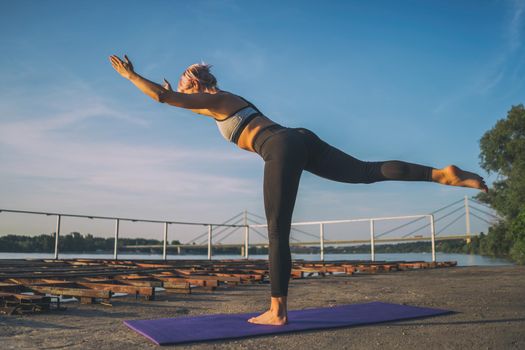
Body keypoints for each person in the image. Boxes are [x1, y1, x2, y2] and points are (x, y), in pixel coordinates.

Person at [109, 55, 489, 326]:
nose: (177, 85)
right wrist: (170, 94)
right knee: (366, 171)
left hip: (280, 147)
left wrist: (131, 77)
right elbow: (179, 102)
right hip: (299, 139)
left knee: (276, 230)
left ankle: (278, 310)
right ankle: (441, 175)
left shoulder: (215, 98)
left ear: (194, 84)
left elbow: (164, 98)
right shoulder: (216, 103)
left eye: (181, 80)